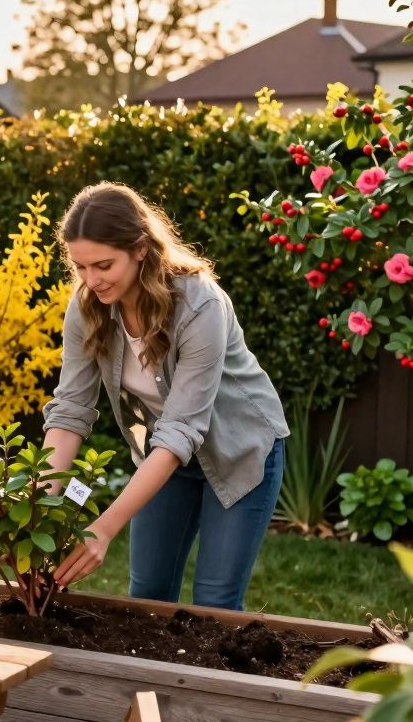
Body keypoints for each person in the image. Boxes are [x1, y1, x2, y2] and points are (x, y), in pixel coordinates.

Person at [42, 182, 288, 611]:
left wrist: (103, 528)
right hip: (164, 457)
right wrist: (35, 505)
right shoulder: (87, 307)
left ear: (140, 248)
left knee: (213, 604)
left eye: (103, 265)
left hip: (239, 451)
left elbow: (181, 429)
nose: (91, 280)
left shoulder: (199, 306)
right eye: (79, 267)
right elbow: (70, 411)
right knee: (148, 596)